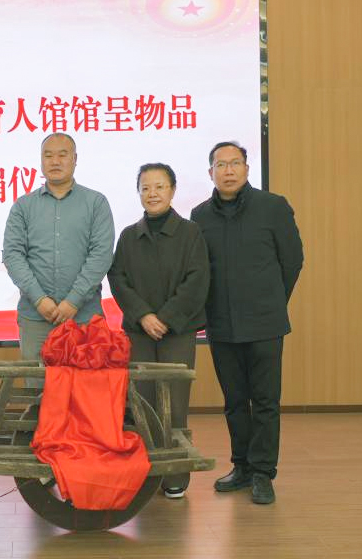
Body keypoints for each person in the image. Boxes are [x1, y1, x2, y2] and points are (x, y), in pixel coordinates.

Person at [191, 141, 303, 505]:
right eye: (221, 165)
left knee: (265, 400)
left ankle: (263, 473)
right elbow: (199, 270)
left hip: (265, 322)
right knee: (235, 401)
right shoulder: (199, 215)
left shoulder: (273, 207)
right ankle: (241, 466)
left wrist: (272, 300)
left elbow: (292, 261)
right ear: (210, 173)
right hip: (222, 324)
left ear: (246, 168)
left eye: (235, 163)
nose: (228, 170)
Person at [108, 162, 209, 500]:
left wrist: (164, 317)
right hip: (139, 332)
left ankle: (174, 476)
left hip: (177, 332)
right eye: (145, 188)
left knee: (174, 404)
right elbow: (118, 279)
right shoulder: (128, 236)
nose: (152, 193)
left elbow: (197, 279)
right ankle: (144, 474)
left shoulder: (191, 233)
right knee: (141, 404)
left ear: (172, 190)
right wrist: (144, 316)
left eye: (159, 187)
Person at [3, 133, 115, 378]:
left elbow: (101, 255)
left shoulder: (96, 203)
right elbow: (12, 255)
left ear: (75, 159)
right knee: (38, 392)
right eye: (48, 155)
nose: (55, 161)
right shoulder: (23, 206)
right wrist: (39, 299)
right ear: (41, 161)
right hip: (36, 319)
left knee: (87, 392)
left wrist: (73, 301)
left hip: (85, 318)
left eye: (62, 155)